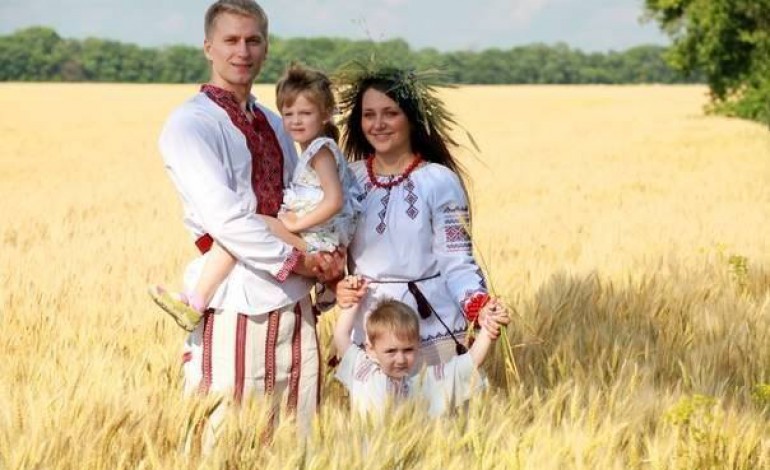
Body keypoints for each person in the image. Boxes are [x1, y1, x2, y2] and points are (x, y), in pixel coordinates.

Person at [155, 0, 342, 434]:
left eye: (253, 40)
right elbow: (227, 220)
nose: (243, 51)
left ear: (266, 47)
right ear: (208, 47)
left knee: (296, 432)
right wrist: (301, 260)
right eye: (231, 40)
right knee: (227, 430)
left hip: (295, 303)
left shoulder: (276, 122)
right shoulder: (190, 124)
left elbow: (298, 200)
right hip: (235, 297)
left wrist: (329, 254)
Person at [150, 63, 360, 333]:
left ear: (326, 115)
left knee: (244, 224)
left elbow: (335, 200)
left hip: (319, 238)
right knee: (237, 231)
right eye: (289, 113)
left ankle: (196, 301)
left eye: (305, 113)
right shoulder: (310, 148)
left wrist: (296, 224)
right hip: (316, 235)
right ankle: (196, 300)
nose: (295, 120)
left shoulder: (320, 151)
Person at [334, 62, 501, 366]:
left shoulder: (439, 181)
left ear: (411, 119)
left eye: (391, 113)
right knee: (374, 410)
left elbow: (457, 260)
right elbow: (332, 248)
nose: (378, 124)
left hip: (430, 321)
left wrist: (479, 305)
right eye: (369, 115)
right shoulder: (348, 178)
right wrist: (339, 285)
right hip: (370, 324)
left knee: (435, 410)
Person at [333, 283, 510, 417]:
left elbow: (469, 363)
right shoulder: (362, 371)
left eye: (408, 350)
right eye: (391, 351)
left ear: (417, 346)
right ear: (370, 349)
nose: (401, 359)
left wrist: (487, 329)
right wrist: (354, 298)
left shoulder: (422, 384)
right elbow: (341, 334)